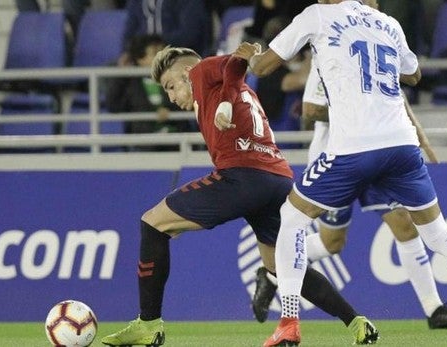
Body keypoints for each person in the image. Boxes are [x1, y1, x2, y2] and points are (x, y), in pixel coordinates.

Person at [238, 1, 447, 345]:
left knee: (291, 217)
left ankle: (289, 322)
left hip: (352, 148)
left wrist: (248, 54)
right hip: (401, 146)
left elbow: (264, 68)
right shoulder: (387, 23)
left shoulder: (317, 16)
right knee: (438, 234)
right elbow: (414, 74)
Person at [100, 46, 379, 347]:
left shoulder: (202, 71)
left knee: (152, 224)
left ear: (185, 74)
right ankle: (357, 323)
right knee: (280, 266)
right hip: (279, 180)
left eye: (170, 86)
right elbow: (235, 73)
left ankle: (148, 324)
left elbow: (236, 62)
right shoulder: (233, 92)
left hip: (242, 177)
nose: (170, 96)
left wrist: (224, 104)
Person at [251, 4, 447, 327]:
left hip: (378, 153)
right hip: (337, 155)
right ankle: (271, 272)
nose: (371, 9)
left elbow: (397, 98)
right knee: (332, 243)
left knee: (404, 224)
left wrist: (417, 137)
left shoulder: (375, 41)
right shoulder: (328, 45)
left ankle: (433, 308)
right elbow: (312, 109)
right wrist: (356, 112)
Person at [106, 34, 189, 151]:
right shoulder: (131, 84)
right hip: (144, 144)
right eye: (155, 54)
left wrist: (169, 113)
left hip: (177, 142)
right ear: (140, 59)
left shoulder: (177, 80)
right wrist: (121, 75)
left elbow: (188, 105)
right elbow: (113, 105)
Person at [122, 0, 213, 57]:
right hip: (142, 56)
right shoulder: (136, 2)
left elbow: (190, 34)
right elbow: (129, 32)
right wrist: (128, 52)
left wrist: (157, 46)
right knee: (117, 70)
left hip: (178, 54)